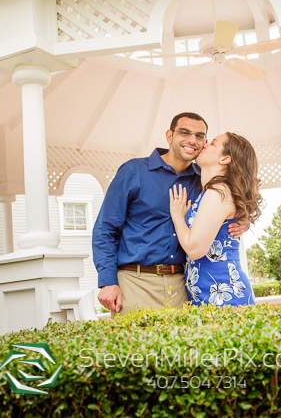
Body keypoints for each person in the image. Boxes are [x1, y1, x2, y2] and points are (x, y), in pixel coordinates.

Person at [93, 112, 249, 315]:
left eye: (200, 136)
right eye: (184, 132)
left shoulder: (205, 179)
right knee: (136, 347)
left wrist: (244, 219)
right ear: (169, 136)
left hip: (183, 287)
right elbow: (105, 228)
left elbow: (238, 189)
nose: (192, 140)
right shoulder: (134, 171)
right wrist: (107, 282)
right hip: (135, 282)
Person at [169, 132, 264, 306]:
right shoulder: (212, 192)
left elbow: (194, 249)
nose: (205, 144)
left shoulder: (218, 193)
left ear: (225, 159)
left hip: (224, 293)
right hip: (209, 291)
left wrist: (177, 216)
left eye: (213, 143)